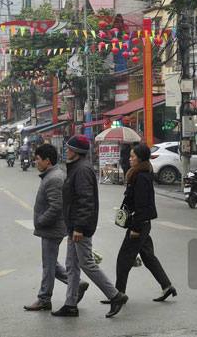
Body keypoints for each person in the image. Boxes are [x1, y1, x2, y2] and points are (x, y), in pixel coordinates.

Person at [52, 134, 128, 319]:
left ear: (76, 151)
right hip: (73, 226)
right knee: (71, 265)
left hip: (80, 227)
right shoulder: (77, 167)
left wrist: (79, 227)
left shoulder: (82, 170)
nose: (66, 150)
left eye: (69, 148)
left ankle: (115, 295)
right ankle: (71, 304)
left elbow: (86, 201)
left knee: (86, 263)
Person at [24, 144, 89, 312]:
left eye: (38, 159)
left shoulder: (53, 178)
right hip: (52, 227)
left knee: (48, 265)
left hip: (52, 228)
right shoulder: (53, 175)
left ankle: (44, 298)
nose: (35, 162)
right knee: (51, 263)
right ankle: (77, 283)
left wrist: (40, 220)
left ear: (47, 161)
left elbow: (56, 206)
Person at [110, 144, 176, 303]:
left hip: (139, 224)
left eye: (132, 156)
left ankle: (118, 295)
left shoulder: (141, 177)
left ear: (140, 158)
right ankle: (167, 286)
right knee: (148, 257)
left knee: (123, 259)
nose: (129, 159)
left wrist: (135, 228)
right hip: (142, 223)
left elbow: (142, 206)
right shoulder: (139, 175)